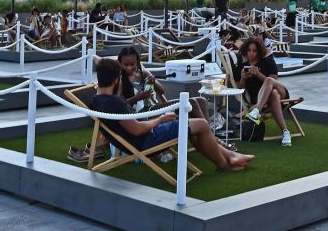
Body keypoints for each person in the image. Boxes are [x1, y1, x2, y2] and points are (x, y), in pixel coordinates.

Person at [88, 58, 253, 171]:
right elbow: (137, 130)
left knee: (193, 125)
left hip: (139, 138)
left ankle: (230, 156)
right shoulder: (114, 102)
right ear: (117, 79)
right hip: (147, 141)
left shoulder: (96, 101)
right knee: (201, 125)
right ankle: (224, 163)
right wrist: (160, 119)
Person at [236, 37, 292, 147]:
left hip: (282, 93)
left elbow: (274, 81)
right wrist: (243, 78)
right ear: (245, 50)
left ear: (260, 51)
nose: (251, 53)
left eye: (255, 51)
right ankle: (285, 132)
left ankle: (256, 111)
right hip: (261, 98)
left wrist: (258, 74)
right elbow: (240, 90)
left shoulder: (268, 62)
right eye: (249, 50)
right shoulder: (242, 67)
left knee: (270, 81)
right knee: (273, 95)